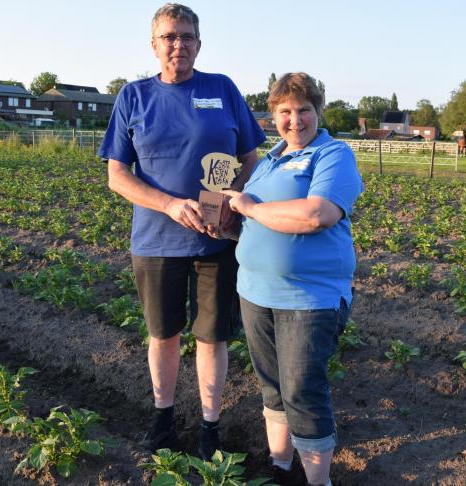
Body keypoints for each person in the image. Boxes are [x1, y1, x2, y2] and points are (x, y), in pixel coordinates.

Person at [98, 3, 265, 460]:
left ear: (199, 44)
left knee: (212, 336)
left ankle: (211, 425)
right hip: (155, 240)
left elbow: (251, 156)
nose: (179, 44)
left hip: (217, 238)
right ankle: (163, 417)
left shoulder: (223, 89)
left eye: (187, 36)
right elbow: (117, 174)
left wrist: (234, 197)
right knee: (164, 333)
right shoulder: (134, 96)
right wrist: (170, 204)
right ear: (154, 44)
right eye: (170, 37)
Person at [222, 73, 363, 486]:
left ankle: (318, 481)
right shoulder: (268, 160)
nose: (295, 120)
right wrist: (230, 224)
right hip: (254, 291)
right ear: (273, 116)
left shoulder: (333, 154)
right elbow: (259, 220)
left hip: (309, 298)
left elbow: (316, 215)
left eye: (304, 110)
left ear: (318, 112)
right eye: (285, 111)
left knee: (302, 391)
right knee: (272, 388)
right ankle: (279, 467)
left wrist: (248, 207)